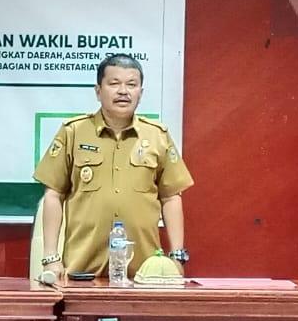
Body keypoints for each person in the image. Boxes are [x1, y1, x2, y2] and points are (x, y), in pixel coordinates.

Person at [34, 53, 193, 281]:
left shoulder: (157, 136)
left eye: (132, 84)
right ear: (98, 91)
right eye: (114, 83)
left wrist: (177, 257)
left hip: (144, 272)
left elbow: (171, 197)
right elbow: (53, 195)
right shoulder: (74, 132)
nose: (123, 91)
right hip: (83, 267)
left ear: (140, 93)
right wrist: (51, 257)